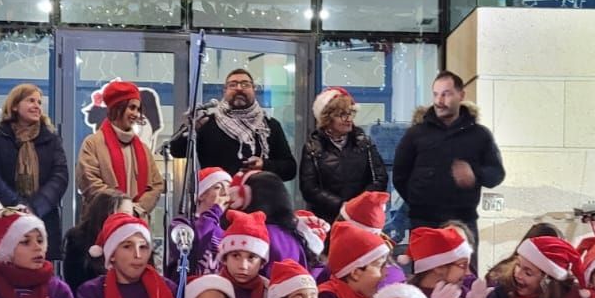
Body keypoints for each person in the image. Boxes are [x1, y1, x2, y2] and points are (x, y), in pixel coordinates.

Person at [392, 72, 506, 250]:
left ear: (461, 95)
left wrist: (475, 174)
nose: (439, 100)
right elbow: (400, 175)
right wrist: (418, 200)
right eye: (436, 94)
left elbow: (497, 174)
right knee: (425, 275)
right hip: (424, 222)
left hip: (464, 223)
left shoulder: (479, 135)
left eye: (446, 94)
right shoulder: (416, 134)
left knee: (463, 275)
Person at [0, 84, 71, 257]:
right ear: (14, 105)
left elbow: (60, 176)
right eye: (31, 100)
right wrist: (17, 206)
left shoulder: (51, 139)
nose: (37, 106)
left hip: (44, 218)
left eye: (39, 102)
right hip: (7, 216)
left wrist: (35, 207)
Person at [171, 68, 297, 179]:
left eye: (245, 84)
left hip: (260, 200)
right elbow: (176, 151)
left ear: (254, 90)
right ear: (224, 91)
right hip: (217, 199)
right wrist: (190, 128)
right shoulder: (206, 123)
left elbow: (290, 169)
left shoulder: (269, 126)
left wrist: (264, 165)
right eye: (233, 85)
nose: (239, 88)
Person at [298, 87, 387, 225]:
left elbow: (379, 178)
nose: (348, 119)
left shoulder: (364, 142)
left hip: (363, 217)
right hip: (327, 219)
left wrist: (359, 203)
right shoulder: (314, 147)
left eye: (350, 113)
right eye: (342, 115)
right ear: (327, 118)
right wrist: (341, 205)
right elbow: (309, 189)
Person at [75, 79, 164, 216]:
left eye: (138, 109)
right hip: (102, 224)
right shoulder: (92, 144)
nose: (135, 114)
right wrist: (122, 207)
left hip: (136, 225)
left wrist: (137, 209)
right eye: (132, 107)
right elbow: (89, 182)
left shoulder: (144, 149)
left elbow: (157, 185)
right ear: (117, 108)